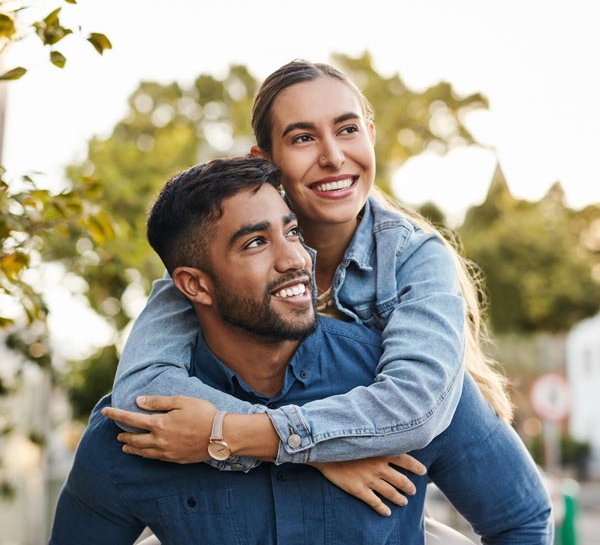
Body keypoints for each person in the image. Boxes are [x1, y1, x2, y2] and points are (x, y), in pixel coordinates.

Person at [51, 157, 552, 544]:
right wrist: (314, 454)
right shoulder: (137, 433)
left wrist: (234, 435)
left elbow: (523, 521)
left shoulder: (404, 382)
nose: (294, 258)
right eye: (254, 243)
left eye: (292, 230)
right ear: (194, 286)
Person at [110, 61, 512, 493]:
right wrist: (319, 457)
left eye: (347, 129)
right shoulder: (218, 256)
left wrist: (232, 435)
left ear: (371, 136)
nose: (333, 156)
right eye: (303, 138)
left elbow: (414, 406)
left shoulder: (413, 257)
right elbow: (141, 393)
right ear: (265, 161)